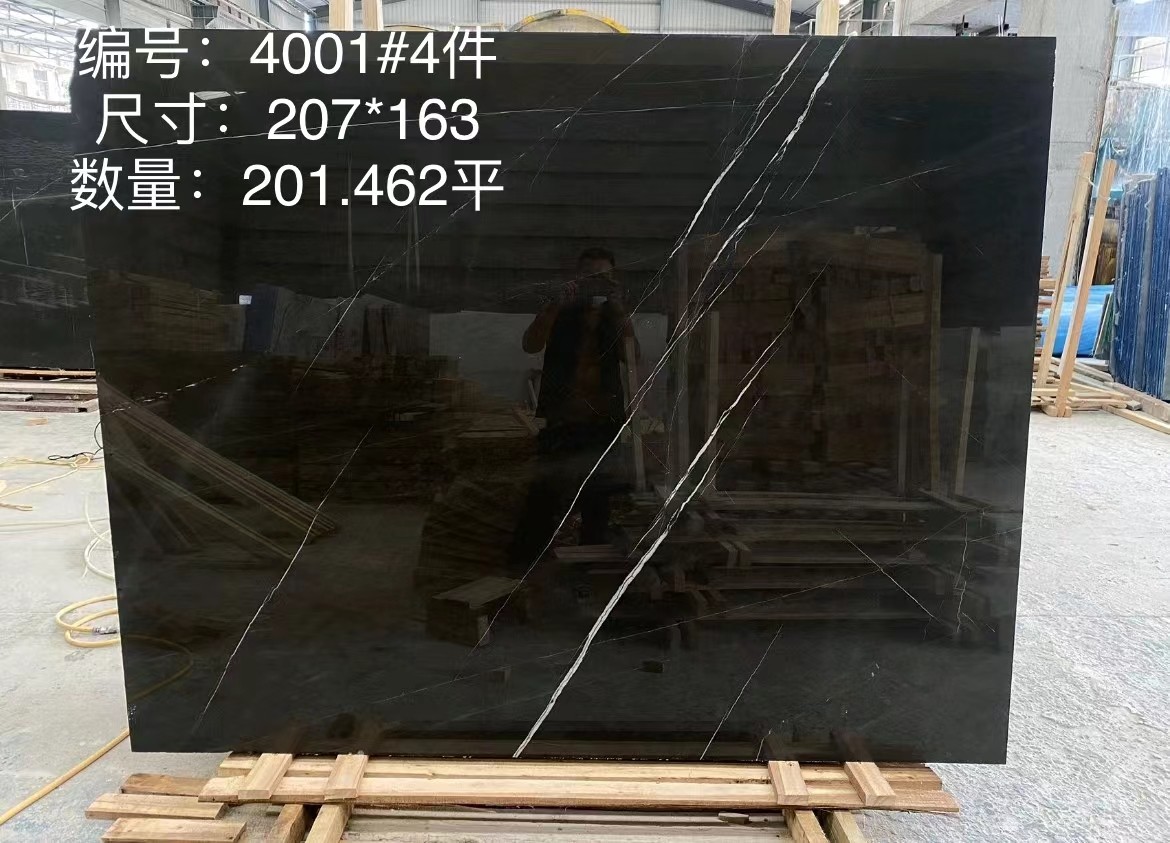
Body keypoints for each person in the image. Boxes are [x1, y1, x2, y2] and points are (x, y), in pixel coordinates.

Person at [511, 247, 639, 569]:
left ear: (613, 280)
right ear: (576, 278)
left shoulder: (613, 315)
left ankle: (588, 567)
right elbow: (530, 344)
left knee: (597, 500)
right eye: (588, 277)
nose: (594, 284)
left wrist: (620, 311)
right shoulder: (562, 310)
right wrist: (555, 304)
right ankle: (525, 566)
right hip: (563, 418)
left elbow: (632, 358)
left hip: (602, 419)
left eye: (602, 278)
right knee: (544, 495)